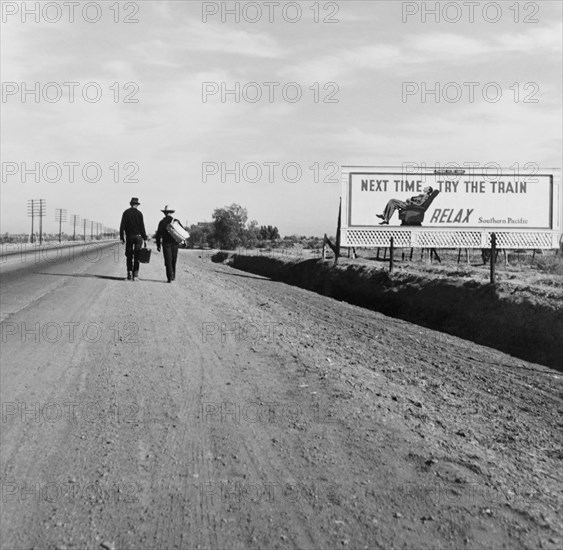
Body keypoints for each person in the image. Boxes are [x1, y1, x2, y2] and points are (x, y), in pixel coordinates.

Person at [155, 205, 186, 283]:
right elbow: (182, 232)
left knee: (168, 260)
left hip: (166, 244)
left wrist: (158, 245)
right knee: (173, 260)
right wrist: (184, 241)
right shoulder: (176, 221)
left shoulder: (161, 222)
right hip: (175, 243)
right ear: (171, 212)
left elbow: (158, 235)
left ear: (164, 213)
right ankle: (173, 275)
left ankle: (169, 277)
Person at [119, 197, 148, 281]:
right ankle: (135, 275)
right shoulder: (140, 214)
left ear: (130, 204)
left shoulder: (126, 213)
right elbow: (142, 227)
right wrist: (145, 238)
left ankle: (129, 273)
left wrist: (122, 237)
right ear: (137, 205)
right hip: (138, 237)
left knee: (129, 255)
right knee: (137, 255)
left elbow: (122, 226)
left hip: (130, 236)